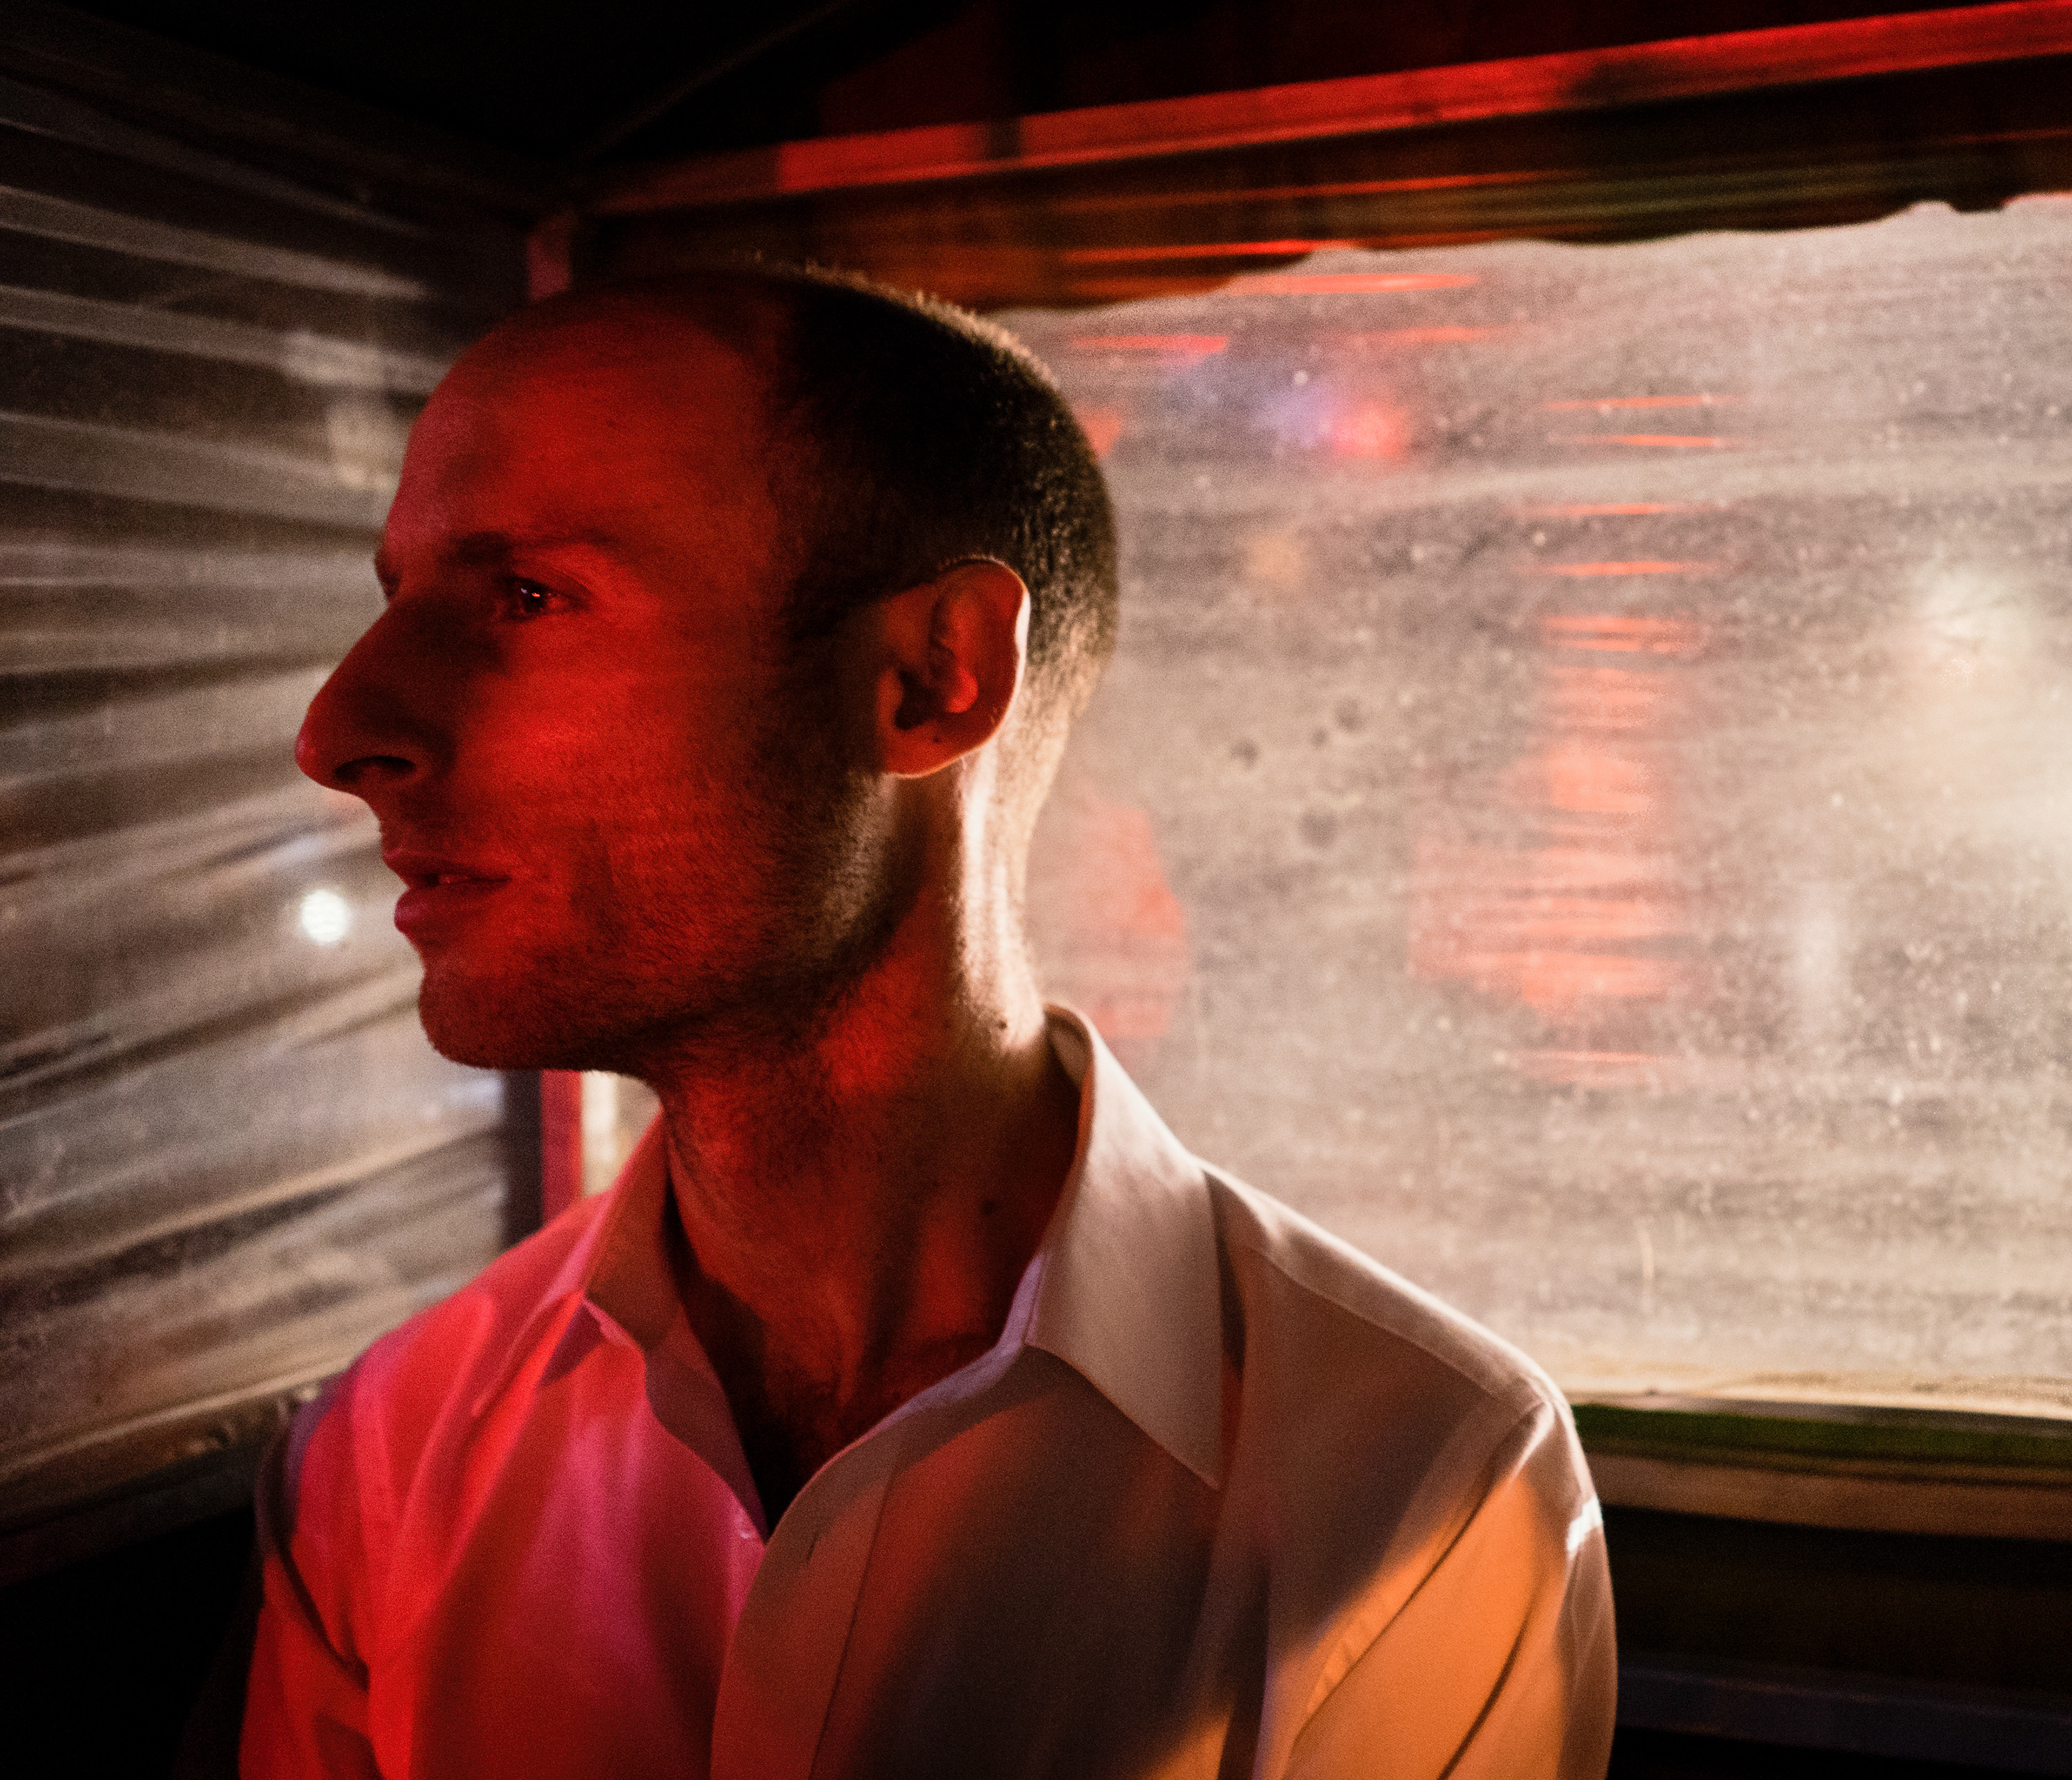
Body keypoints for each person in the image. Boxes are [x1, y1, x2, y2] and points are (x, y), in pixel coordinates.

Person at [245, 268, 1615, 1777]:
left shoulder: (1419, 1481)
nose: (340, 729)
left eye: (528, 595)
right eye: (396, 600)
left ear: (932, 678)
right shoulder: (389, 1450)